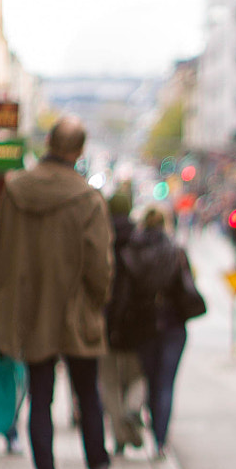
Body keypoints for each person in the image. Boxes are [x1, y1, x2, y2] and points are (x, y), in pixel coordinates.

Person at [0, 116, 128, 469]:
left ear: (48, 143)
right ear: (79, 151)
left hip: (32, 311)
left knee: (40, 399)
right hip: (75, 311)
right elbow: (101, 265)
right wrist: (97, 302)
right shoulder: (87, 199)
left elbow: (0, 255)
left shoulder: (15, 190)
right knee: (88, 395)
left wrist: (2, 305)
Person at [109, 205, 196, 456]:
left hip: (143, 324)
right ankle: (160, 441)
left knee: (142, 376)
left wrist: (116, 324)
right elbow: (186, 287)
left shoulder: (131, 252)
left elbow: (123, 293)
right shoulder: (176, 251)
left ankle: (130, 421)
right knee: (165, 383)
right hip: (172, 325)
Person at [99, 185, 146, 453]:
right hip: (135, 322)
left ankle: (119, 432)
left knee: (108, 381)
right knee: (137, 376)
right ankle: (132, 409)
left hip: (104, 320)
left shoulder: (100, 235)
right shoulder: (139, 238)